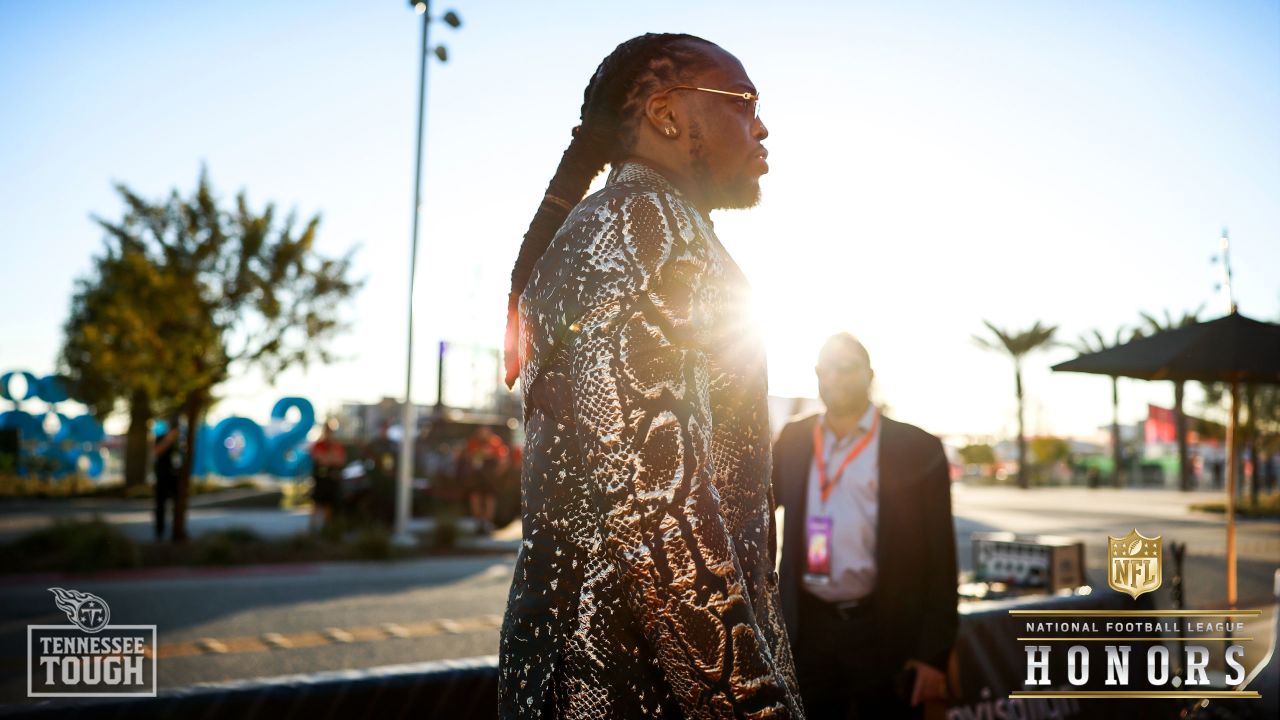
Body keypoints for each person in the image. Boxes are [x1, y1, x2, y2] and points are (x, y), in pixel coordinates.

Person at [499, 33, 802, 718]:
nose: (761, 125)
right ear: (666, 114)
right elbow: (657, 513)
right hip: (619, 693)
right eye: (742, 101)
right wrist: (754, 709)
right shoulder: (635, 225)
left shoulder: (658, 226)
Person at [773, 334, 958, 718]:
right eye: (826, 369)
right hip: (809, 630)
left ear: (869, 375)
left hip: (883, 630)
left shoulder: (917, 448)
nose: (836, 377)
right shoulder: (793, 438)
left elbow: (941, 556)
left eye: (847, 368)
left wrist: (932, 655)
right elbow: (751, 507)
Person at [458, 425, 508, 534]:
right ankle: (479, 522)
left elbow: (503, 459)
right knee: (475, 497)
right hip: (476, 476)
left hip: (490, 477)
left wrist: (495, 474)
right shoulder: (473, 442)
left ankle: (486, 523)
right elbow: (466, 456)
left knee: (489, 499)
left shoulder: (495, 442)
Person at [309, 422, 346, 534]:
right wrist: (331, 458)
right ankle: (313, 528)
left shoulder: (337, 445)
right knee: (317, 503)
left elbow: (340, 461)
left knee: (329, 504)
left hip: (332, 479)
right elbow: (320, 459)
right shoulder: (318, 445)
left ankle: (327, 528)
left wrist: (328, 458)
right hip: (320, 479)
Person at [152, 416, 181, 541]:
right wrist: (169, 439)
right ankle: (159, 532)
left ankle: (176, 531)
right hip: (162, 476)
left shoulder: (181, 441)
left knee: (177, 505)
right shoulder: (161, 438)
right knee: (160, 505)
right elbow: (156, 452)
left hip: (175, 476)